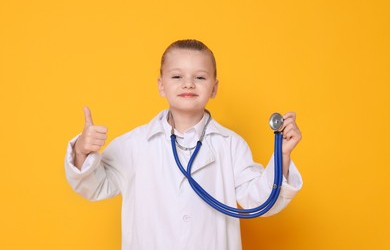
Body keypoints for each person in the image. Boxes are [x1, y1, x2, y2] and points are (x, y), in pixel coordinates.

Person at [65, 39, 303, 250]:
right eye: (177, 76)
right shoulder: (134, 145)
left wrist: (282, 155)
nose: (188, 84)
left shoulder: (231, 145)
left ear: (214, 88)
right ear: (161, 85)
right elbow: (95, 186)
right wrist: (81, 151)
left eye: (200, 77)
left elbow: (259, 201)